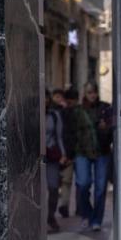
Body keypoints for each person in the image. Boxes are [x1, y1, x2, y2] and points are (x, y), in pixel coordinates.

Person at [80, 82, 114, 232]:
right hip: (82, 152)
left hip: (102, 152)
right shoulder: (78, 110)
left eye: (94, 92)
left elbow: (112, 132)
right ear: (84, 94)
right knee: (82, 184)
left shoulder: (106, 108)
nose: (92, 95)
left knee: (100, 189)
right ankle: (87, 213)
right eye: (89, 92)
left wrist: (104, 129)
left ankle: (96, 220)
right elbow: (71, 131)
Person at [45, 91, 67, 232]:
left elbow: (59, 136)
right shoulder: (29, 113)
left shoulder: (54, 115)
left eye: (46, 97)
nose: (44, 100)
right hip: (33, 159)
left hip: (51, 156)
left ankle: (51, 216)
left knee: (53, 188)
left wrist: (63, 154)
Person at [54, 88, 77, 218]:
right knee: (54, 184)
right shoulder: (50, 112)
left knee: (67, 182)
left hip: (68, 154)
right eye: (55, 97)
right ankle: (54, 208)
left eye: (60, 97)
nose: (58, 99)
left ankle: (64, 206)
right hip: (54, 155)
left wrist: (69, 155)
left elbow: (71, 134)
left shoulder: (70, 112)